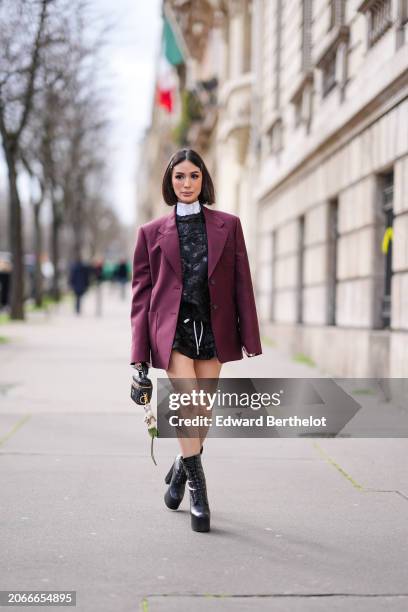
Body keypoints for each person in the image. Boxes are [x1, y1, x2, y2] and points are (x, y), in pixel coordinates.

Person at [130, 148, 262, 533]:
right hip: (172, 333)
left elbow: (242, 282)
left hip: (214, 330)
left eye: (193, 176)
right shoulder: (151, 233)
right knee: (188, 405)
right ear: (169, 183)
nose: (186, 184)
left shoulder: (229, 225)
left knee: (201, 414)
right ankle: (199, 493)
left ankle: (179, 467)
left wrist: (249, 336)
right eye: (179, 177)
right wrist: (138, 357)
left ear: (204, 180)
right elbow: (141, 298)